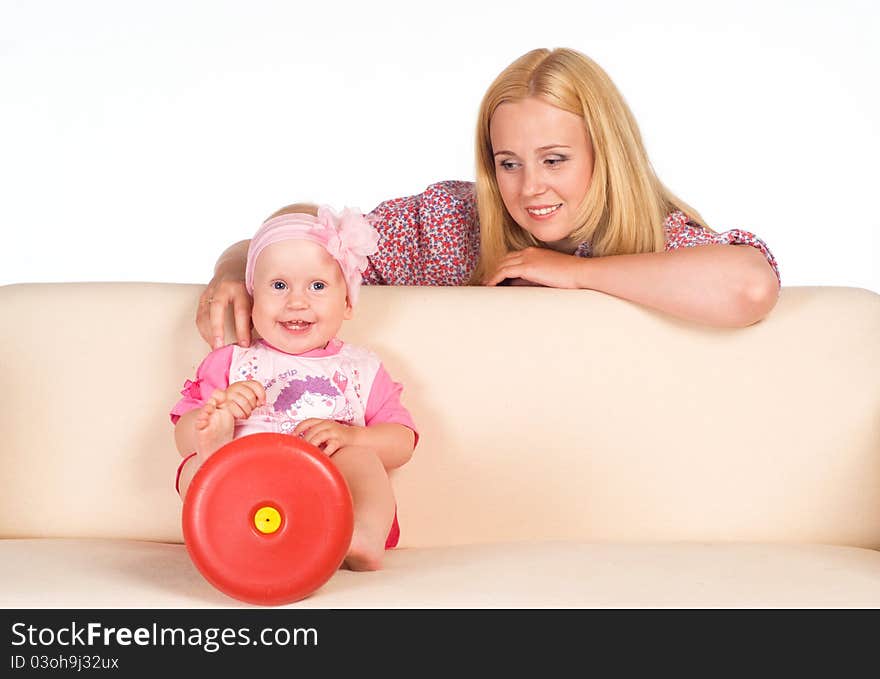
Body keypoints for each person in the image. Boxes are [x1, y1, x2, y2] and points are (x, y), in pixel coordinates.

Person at [198, 47, 781, 349]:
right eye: (509, 164)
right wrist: (233, 267)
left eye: (555, 159)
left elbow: (749, 286)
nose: (530, 189)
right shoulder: (455, 223)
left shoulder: (657, 240)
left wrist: (576, 275)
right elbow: (309, 235)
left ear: (607, 153)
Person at [172, 203, 417, 571]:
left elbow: (403, 440)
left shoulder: (361, 369)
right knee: (196, 465)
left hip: (327, 503)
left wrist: (352, 440)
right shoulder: (231, 361)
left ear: (348, 302)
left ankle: (361, 536)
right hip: (245, 492)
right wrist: (213, 422)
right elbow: (182, 435)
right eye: (279, 285)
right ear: (253, 300)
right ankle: (223, 537)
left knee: (362, 460)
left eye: (317, 286)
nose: (296, 301)